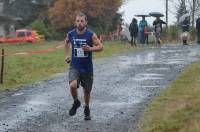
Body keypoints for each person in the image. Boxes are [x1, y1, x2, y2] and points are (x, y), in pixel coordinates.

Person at [65, 12, 103, 120]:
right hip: (74, 66)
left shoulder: (91, 35)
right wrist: (67, 55)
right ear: (75, 22)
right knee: (72, 85)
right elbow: (66, 42)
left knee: (87, 91)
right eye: (78, 21)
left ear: (86, 22)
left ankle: (86, 108)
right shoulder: (71, 34)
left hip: (87, 68)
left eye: (82, 21)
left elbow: (101, 47)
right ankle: (76, 102)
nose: (80, 23)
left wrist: (90, 49)